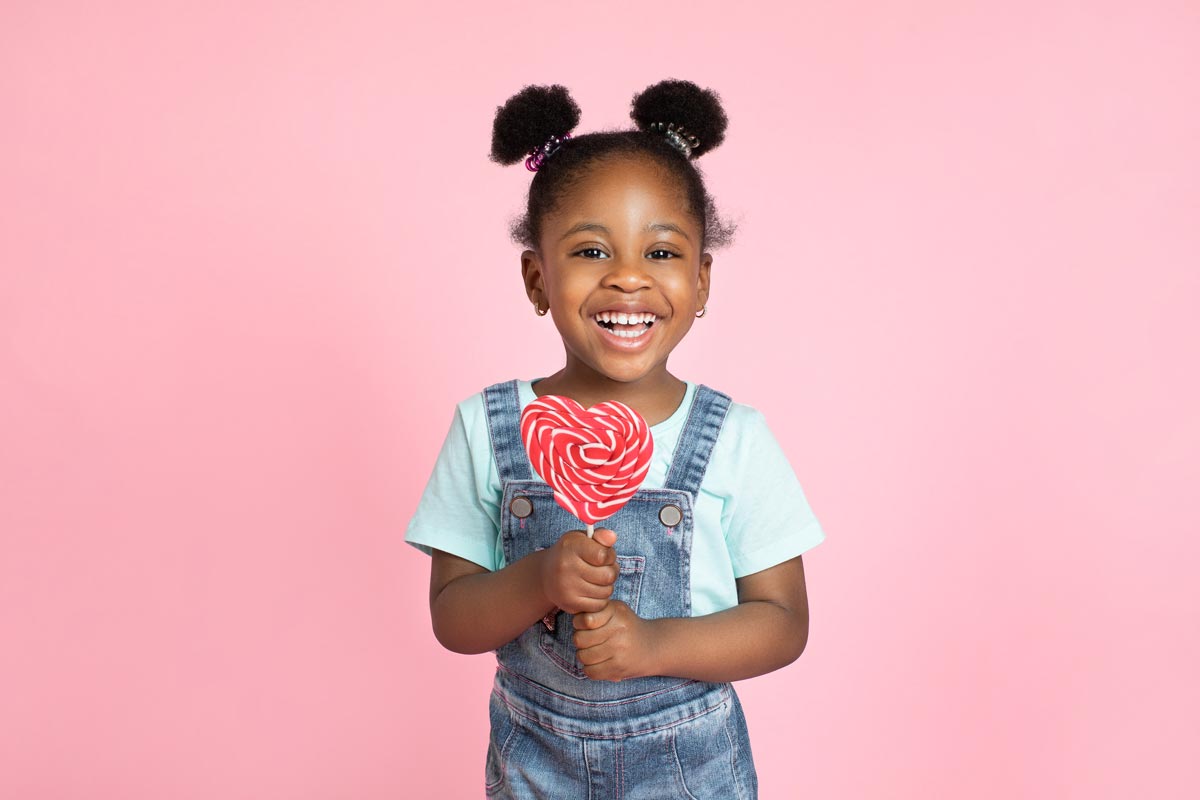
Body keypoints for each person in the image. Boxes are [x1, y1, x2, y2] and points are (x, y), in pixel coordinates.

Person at [405, 78, 826, 799]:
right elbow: (454, 616)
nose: (628, 277)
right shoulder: (488, 428)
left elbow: (783, 623)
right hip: (537, 759)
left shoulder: (734, 439)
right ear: (537, 279)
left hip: (689, 766)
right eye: (591, 251)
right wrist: (539, 579)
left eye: (661, 254)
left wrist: (654, 645)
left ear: (702, 280)